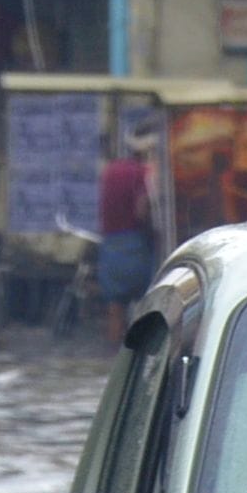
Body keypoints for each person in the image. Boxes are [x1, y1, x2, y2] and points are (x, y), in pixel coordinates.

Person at [94, 115, 157, 343]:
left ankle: (113, 358)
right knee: (146, 309)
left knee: (115, 311)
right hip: (135, 246)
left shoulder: (111, 170)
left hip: (110, 247)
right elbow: (142, 210)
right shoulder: (143, 173)